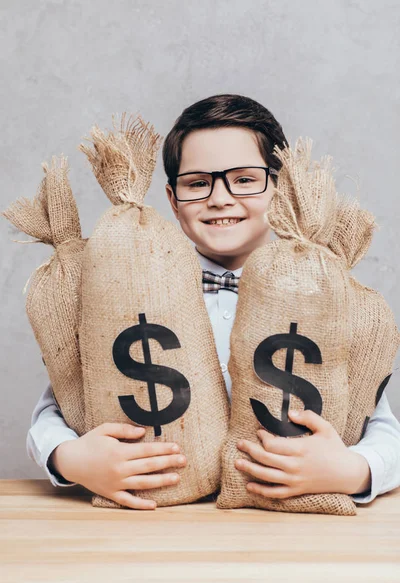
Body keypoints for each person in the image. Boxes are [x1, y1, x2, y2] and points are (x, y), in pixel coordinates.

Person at [27, 94, 400, 510]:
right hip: (152, 530)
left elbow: (381, 427)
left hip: (286, 534)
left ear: (280, 190)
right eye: (198, 183)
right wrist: (71, 459)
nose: (220, 198)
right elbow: (56, 408)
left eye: (244, 179)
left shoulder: (317, 297)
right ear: (172, 199)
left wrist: (353, 470)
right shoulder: (131, 287)